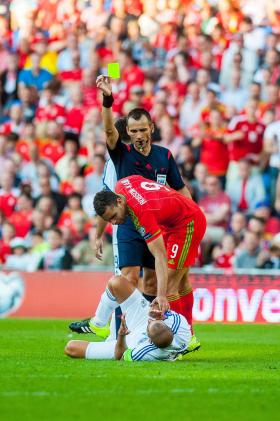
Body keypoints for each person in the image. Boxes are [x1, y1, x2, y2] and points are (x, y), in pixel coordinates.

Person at [70, 76, 192, 339]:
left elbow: (180, 189)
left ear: (151, 128)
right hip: (129, 226)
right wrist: (107, 100)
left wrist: (190, 217)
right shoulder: (121, 153)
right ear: (128, 132)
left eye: (142, 129)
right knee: (127, 277)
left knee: (151, 280)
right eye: (133, 130)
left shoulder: (165, 156)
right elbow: (108, 132)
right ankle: (105, 324)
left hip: (156, 227)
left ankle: (146, 331)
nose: (138, 135)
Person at [92, 175, 206, 346]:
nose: (114, 223)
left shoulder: (143, 214)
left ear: (119, 202)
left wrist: (160, 295)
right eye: (110, 220)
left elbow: (160, 256)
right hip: (174, 221)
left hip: (187, 223)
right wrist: (98, 235)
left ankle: (180, 342)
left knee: (168, 287)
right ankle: (189, 336)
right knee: (181, 282)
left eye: (114, 216)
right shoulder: (122, 184)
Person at [65, 274, 192, 362]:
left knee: (71, 348)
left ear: (150, 340)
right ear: (166, 325)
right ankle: (98, 324)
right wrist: (155, 311)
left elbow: (120, 355)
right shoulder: (181, 327)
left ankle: (111, 339)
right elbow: (158, 317)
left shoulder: (146, 352)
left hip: (129, 343)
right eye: (154, 321)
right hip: (141, 320)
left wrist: (121, 335)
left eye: (149, 324)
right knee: (117, 282)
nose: (150, 320)